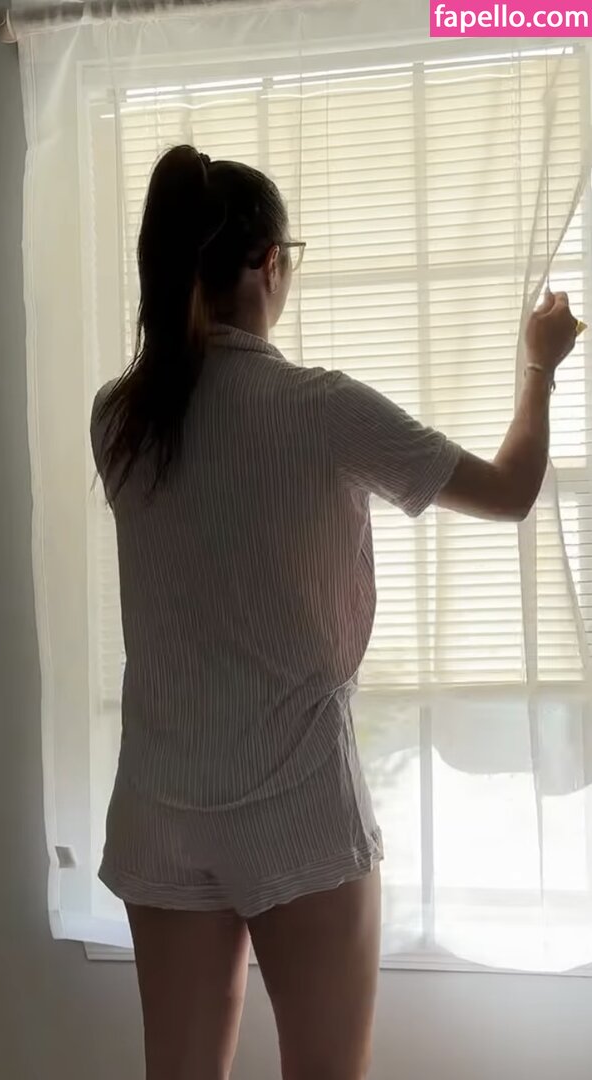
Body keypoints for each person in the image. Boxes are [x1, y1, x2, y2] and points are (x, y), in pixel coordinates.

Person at [90, 144, 578, 1080]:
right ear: (269, 263)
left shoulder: (119, 418)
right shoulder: (319, 408)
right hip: (296, 799)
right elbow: (511, 491)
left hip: (160, 803)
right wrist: (539, 365)